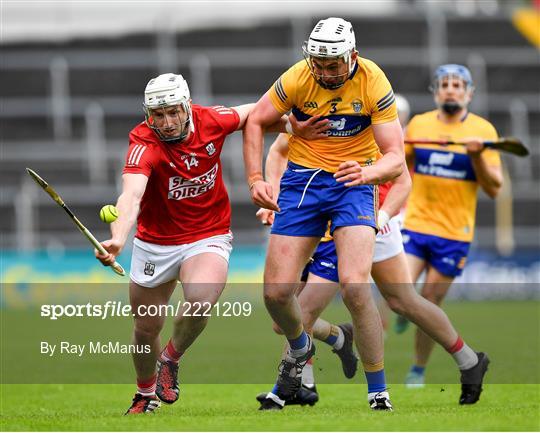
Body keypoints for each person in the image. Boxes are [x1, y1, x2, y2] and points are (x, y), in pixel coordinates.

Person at [256, 100, 491, 407]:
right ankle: (314, 370)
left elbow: (403, 183)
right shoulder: (320, 119)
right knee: (296, 311)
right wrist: (272, 191)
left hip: (370, 222)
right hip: (332, 223)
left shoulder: (375, 133)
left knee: (398, 301)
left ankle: (466, 361)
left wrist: (380, 218)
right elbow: (278, 151)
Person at [95, 73, 287, 414]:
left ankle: (170, 359)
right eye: (158, 115)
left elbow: (259, 113)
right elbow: (132, 195)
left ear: (187, 107)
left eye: (173, 112)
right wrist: (118, 238)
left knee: (199, 300)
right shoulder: (144, 145)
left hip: (208, 234)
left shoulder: (210, 120)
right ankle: (144, 394)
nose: (167, 123)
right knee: (145, 327)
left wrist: (300, 125)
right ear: (147, 115)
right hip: (156, 243)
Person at [243, 17, 404, 411]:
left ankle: (378, 390)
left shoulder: (373, 81)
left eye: (334, 64)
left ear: (352, 56)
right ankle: (304, 349)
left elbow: (396, 160)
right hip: (302, 184)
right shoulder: (298, 77)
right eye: (319, 63)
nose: (326, 72)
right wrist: (255, 180)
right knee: (276, 295)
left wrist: (366, 172)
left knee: (355, 287)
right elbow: (256, 121)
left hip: (353, 184)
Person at [398, 64, 502, 391]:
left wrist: (477, 157)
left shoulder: (484, 130)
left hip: (454, 235)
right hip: (415, 225)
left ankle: (417, 368)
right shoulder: (419, 124)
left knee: (429, 302)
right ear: (436, 91)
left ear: (469, 93)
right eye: (445, 84)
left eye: (458, 85)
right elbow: (399, 164)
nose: (451, 89)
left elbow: (494, 187)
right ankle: (404, 305)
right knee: (396, 292)